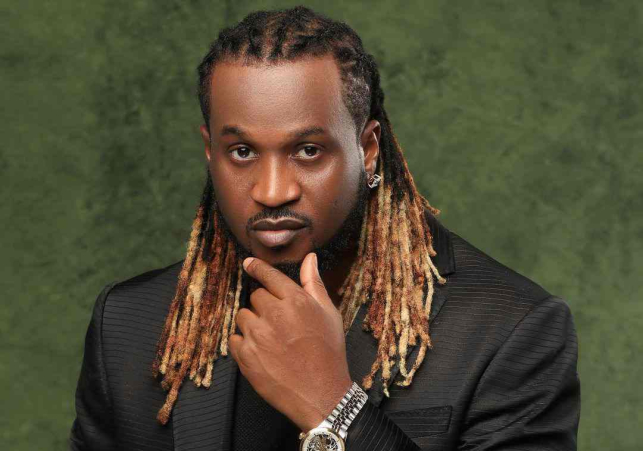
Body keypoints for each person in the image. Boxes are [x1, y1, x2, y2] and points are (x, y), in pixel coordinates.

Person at [69, 6, 580, 451]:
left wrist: (333, 406)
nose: (272, 191)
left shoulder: (509, 330)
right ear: (210, 152)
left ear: (368, 149)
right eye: (242, 152)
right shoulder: (128, 323)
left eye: (308, 150)